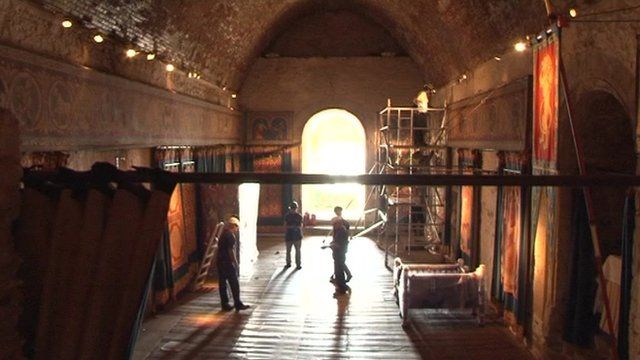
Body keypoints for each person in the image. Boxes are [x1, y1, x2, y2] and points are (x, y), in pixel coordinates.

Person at [216, 216, 250, 312]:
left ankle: (225, 304)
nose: (237, 230)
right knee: (234, 283)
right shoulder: (230, 236)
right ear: (233, 226)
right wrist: (235, 263)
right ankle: (237, 303)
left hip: (220, 262)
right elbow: (231, 251)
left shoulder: (223, 234)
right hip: (227, 263)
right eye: (236, 227)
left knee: (222, 284)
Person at [330, 206, 352, 282]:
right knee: (338, 261)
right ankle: (338, 275)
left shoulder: (344, 223)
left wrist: (334, 244)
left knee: (340, 262)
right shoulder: (339, 223)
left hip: (341, 245)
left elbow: (346, 234)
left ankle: (345, 276)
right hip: (339, 244)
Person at [283, 201, 303, 270]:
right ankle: (298, 264)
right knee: (297, 251)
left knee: (289, 251)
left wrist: (290, 227)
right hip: (296, 235)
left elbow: (285, 226)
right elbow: (300, 226)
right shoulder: (299, 216)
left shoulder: (287, 216)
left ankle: (289, 263)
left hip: (290, 235)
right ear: (297, 208)